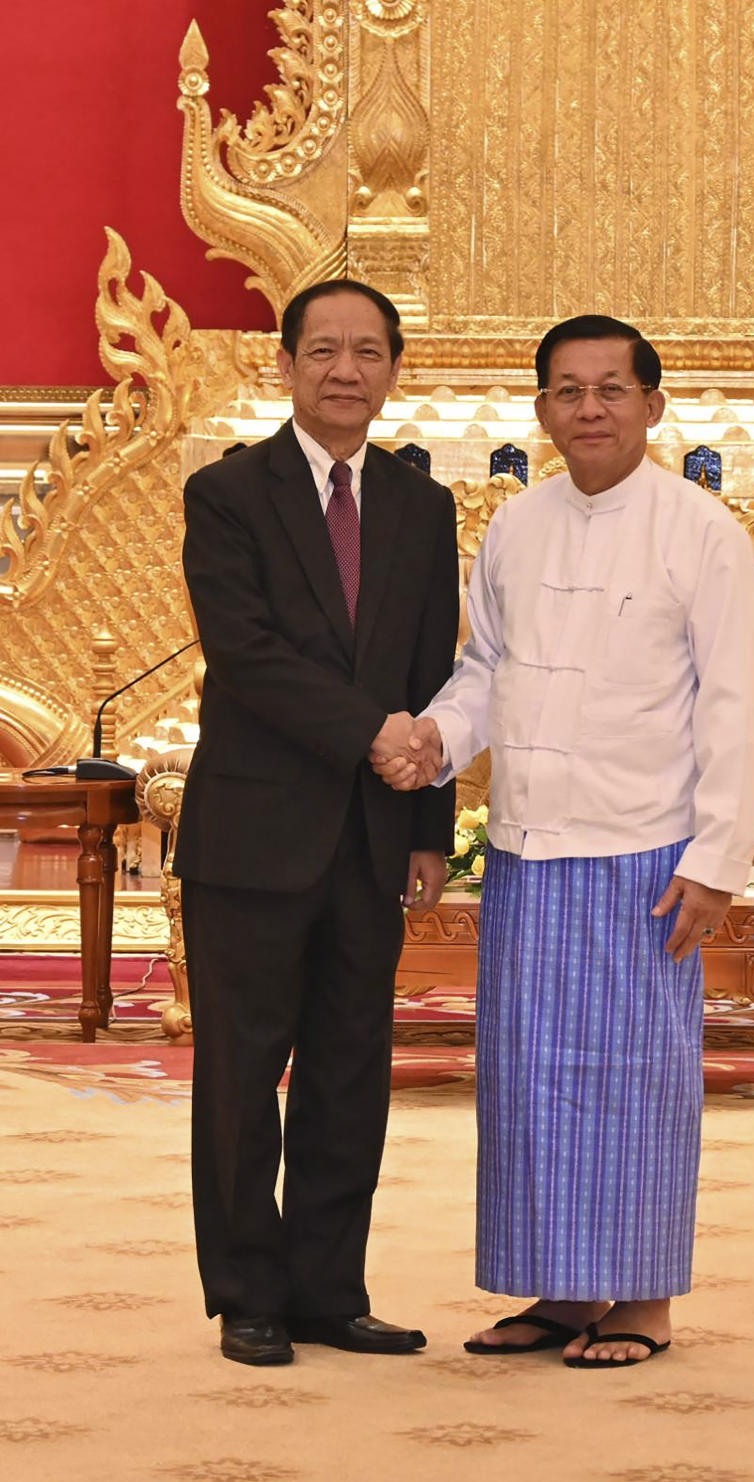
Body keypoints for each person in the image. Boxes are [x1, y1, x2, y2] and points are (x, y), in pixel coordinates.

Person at [372, 314, 754, 1368]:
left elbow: (732, 710)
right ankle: (562, 1292)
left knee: (635, 1076)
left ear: (653, 404)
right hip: (527, 845)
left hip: (646, 851)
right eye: (567, 391)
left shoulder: (702, 533)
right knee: (534, 1076)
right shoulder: (515, 526)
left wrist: (716, 863)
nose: (588, 409)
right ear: (541, 407)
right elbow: (486, 672)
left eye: (610, 389)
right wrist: (436, 738)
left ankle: (641, 1301)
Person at [175, 279, 460, 1365]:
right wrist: (371, 735)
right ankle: (247, 1290)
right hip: (252, 837)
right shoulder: (228, 492)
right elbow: (246, 656)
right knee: (244, 1076)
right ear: (285, 365)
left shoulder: (421, 505)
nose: (346, 370)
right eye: (325, 350)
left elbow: (432, 667)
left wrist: (429, 820)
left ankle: (328, 1291)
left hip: (375, 836)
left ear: (394, 369)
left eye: (368, 351)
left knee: (352, 1071)